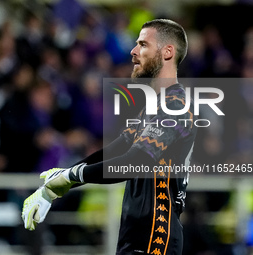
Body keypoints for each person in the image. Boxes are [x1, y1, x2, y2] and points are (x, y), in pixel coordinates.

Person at [22, 19, 198, 255]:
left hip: (156, 243)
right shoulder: (153, 108)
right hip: (134, 240)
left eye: (143, 44)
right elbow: (116, 150)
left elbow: (134, 162)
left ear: (167, 52)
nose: (133, 51)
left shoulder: (175, 107)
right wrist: (57, 185)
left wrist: (71, 176)